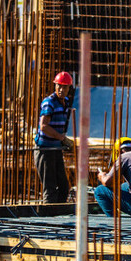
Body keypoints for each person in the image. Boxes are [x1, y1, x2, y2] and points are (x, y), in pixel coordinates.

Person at [35, 71, 75, 203]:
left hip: (55, 148)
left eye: (64, 87)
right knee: (50, 188)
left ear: (69, 88)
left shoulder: (66, 102)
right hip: (45, 150)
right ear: (55, 86)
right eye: (59, 86)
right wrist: (62, 138)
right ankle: (50, 218)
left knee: (64, 187)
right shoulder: (49, 102)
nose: (61, 89)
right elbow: (44, 126)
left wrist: (62, 140)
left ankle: (60, 214)